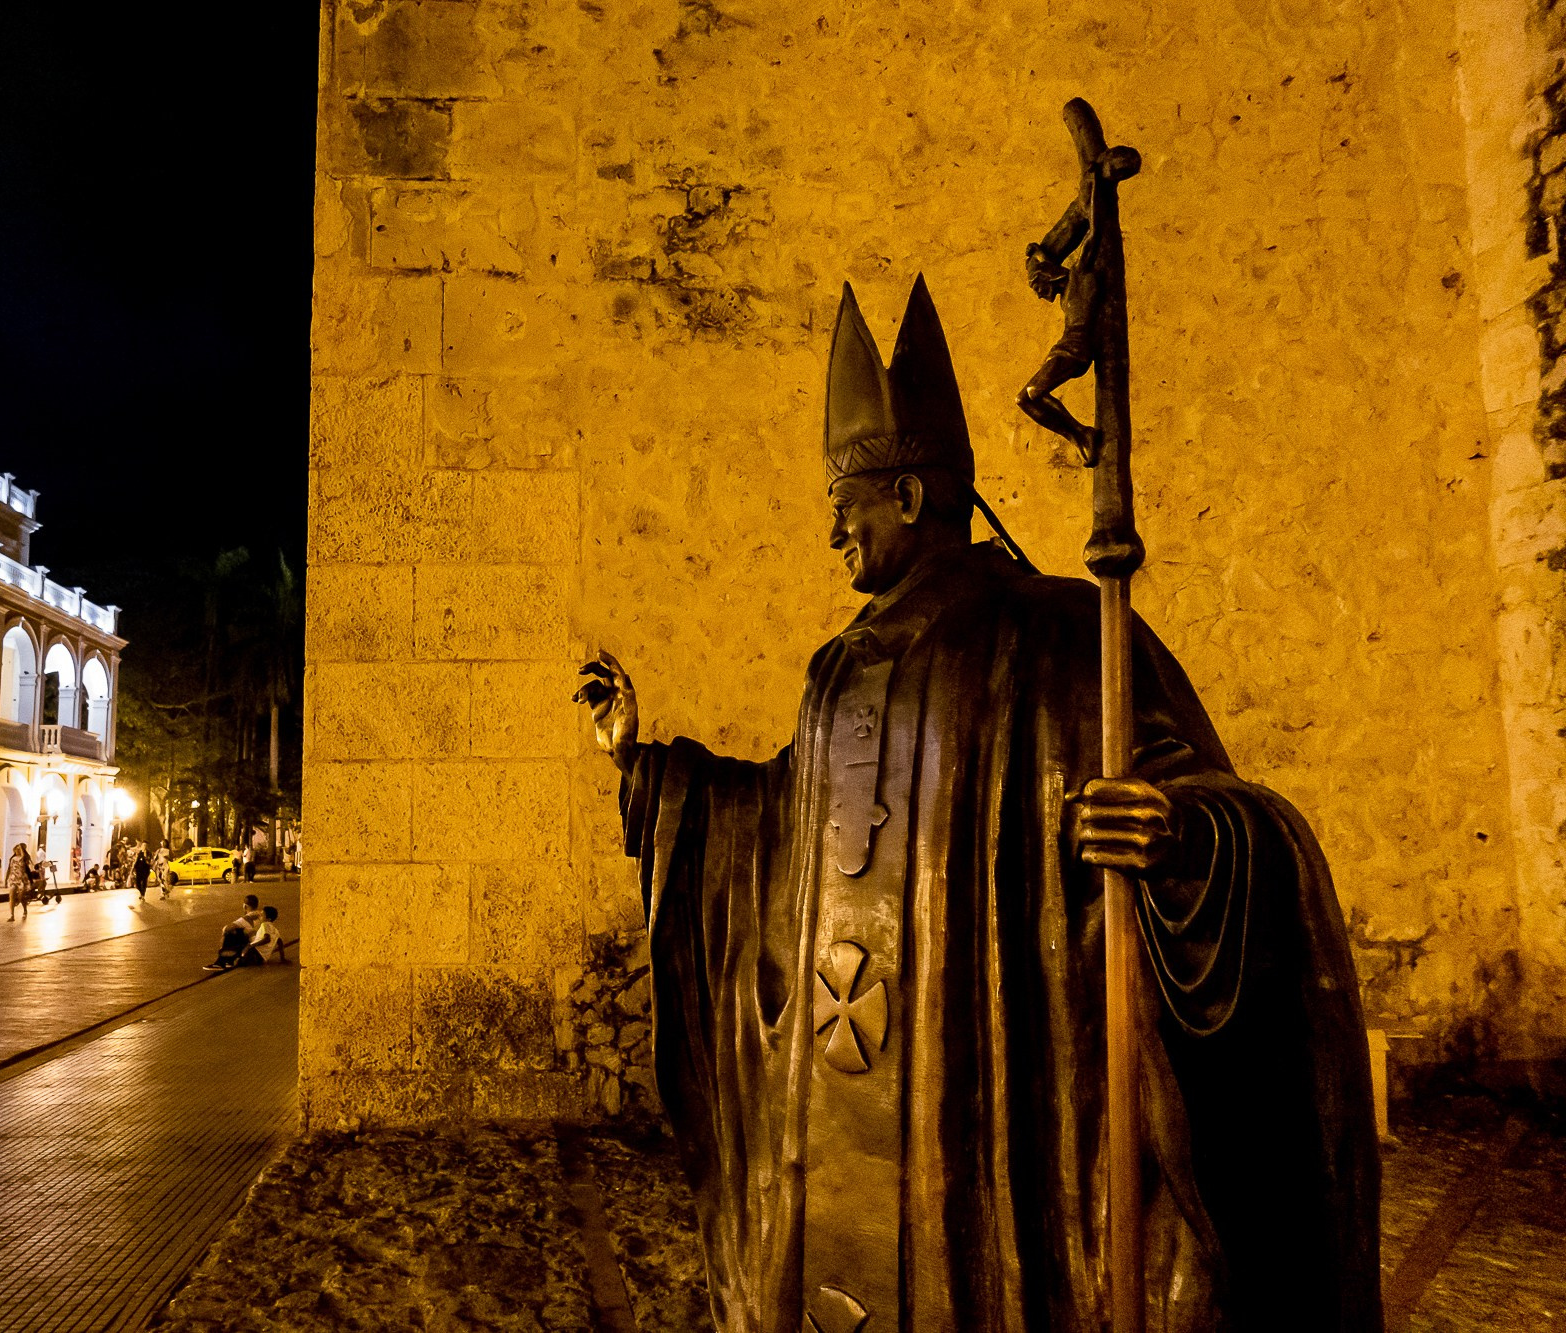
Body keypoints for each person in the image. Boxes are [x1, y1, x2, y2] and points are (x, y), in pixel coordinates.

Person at [572, 278, 1379, 1329]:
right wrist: (651, 770)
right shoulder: (834, 672)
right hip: (843, 1101)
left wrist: (1178, 829)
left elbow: (1234, 820)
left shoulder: (1052, 636)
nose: (833, 536)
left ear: (907, 497)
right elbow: (783, 822)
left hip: (993, 1116)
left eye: (844, 508)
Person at [205, 894, 264, 970]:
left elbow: (226, 928)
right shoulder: (262, 915)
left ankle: (221, 962)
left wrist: (223, 937)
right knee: (242, 933)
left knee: (230, 933)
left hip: (252, 952)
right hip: (261, 952)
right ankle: (229, 961)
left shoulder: (245, 919)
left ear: (245, 906)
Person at [5, 843, 34, 920]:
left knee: (21, 897)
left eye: (19, 849)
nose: (17, 850)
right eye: (16, 849)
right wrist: (6, 879)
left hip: (22, 880)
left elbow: (24, 857)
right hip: (13, 879)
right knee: (11, 896)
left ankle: (25, 910)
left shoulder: (23, 858)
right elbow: (9, 869)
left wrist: (21, 848)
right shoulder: (12, 859)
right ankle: (12, 915)